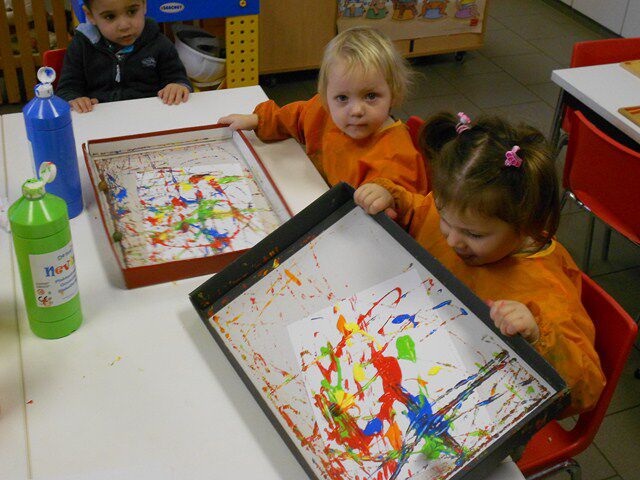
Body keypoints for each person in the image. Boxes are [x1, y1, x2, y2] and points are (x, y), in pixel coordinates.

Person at [354, 112, 605, 417]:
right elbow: (419, 212)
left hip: (478, 401)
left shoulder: (547, 293)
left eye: (473, 235)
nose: (452, 240)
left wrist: (538, 337)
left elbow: (586, 391)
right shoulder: (461, 215)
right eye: (445, 219)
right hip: (420, 344)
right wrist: (391, 199)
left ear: (527, 225)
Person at [219, 26, 428, 193]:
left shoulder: (396, 156)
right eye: (342, 98)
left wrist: (385, 197)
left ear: (393, 93)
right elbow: (297, 116)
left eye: (371, 96)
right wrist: (258, 120)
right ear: (326, 96)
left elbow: (404, 205)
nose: (356, 110)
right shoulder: (324, 110)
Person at [56, 0, 192, 113]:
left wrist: (177, 86)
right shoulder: (81, 46)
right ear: (90, 15)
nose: (124, 26)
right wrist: (75, 100)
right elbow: (67, 89)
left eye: (132, 11)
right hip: (99, 121)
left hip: (152, 118)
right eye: (110, 16)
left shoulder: (160, 43)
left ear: (144, 5)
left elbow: (178, 78)